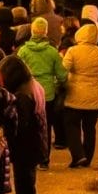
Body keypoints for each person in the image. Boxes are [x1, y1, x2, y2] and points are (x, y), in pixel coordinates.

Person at [0, 56, 50, 194]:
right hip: (36, 146)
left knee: (26, 191)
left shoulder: (22, 96)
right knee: (27, 189)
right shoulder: (34, 86)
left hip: (26, 149)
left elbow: (20, 125)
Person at [15, 17, 68, 167]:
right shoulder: (52, 52)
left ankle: (29, 157)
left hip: (27, 93)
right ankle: (44, 160)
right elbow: (62, 75)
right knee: (46, 126)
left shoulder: (23, 51)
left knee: (28, 125)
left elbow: (17, 71)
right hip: (47, 94)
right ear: (45, 32)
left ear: (32, 31)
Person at [62, 24, 98, 168]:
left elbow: (63, 69)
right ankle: (88, 158)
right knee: (90, 128)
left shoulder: (73, 51)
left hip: (74, 95)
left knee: (72, 126)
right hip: (94, 96)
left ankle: (78, 155)